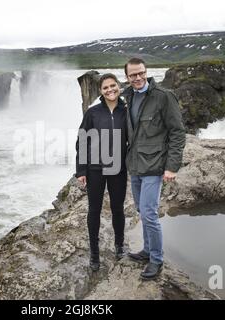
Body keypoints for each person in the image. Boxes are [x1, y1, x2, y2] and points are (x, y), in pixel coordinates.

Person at [123, 57, 185, 279]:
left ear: (146, 72)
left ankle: (156, 260)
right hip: (136, 165)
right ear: (127, 77)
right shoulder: (127, 96)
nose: (137, 78)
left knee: (149, 213)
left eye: (141, 73)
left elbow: (177, 132)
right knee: (141, 209)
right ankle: (147, 250)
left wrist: (172, 166)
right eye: (133, 75)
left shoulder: (163, 97)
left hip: (155, 164)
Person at [75, 73, 128, 271]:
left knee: (117, 209)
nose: (110, 90)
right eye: (105, 88)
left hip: (118, 169)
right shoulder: (93, 113)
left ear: (119, 86)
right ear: (100, 91)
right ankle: (94, 253)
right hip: (95, 169)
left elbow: (134, 139)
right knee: (94, 211)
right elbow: (82, 140)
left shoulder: (126, 111)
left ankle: (119, 246)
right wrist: (81, 169)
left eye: (113, 86)